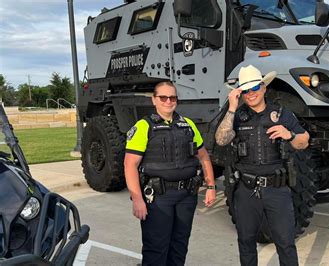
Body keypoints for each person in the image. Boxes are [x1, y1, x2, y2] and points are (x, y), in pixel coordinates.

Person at [215, 65, 309, 266]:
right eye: (246, 90)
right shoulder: (237, 116)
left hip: (277, 189)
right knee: (246, 242)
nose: (251, 94)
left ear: (264, 87)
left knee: (285, 243)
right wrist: (231, 108)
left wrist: (289, 134)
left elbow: (304, 141)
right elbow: (221, 139)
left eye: (255, 87)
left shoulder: (281, 114)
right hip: (246, 190)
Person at [124, 81, 216, 266]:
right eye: (163, 97)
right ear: (154, 100)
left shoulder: (188, 125)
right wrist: (137, 199)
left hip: (186, 196)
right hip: (158, 198)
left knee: (179, 247)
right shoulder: (143, 127)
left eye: (172, 97)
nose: (168, 101)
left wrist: (211, 186)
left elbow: (204, 157)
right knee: (156, 249)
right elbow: (129, 165)